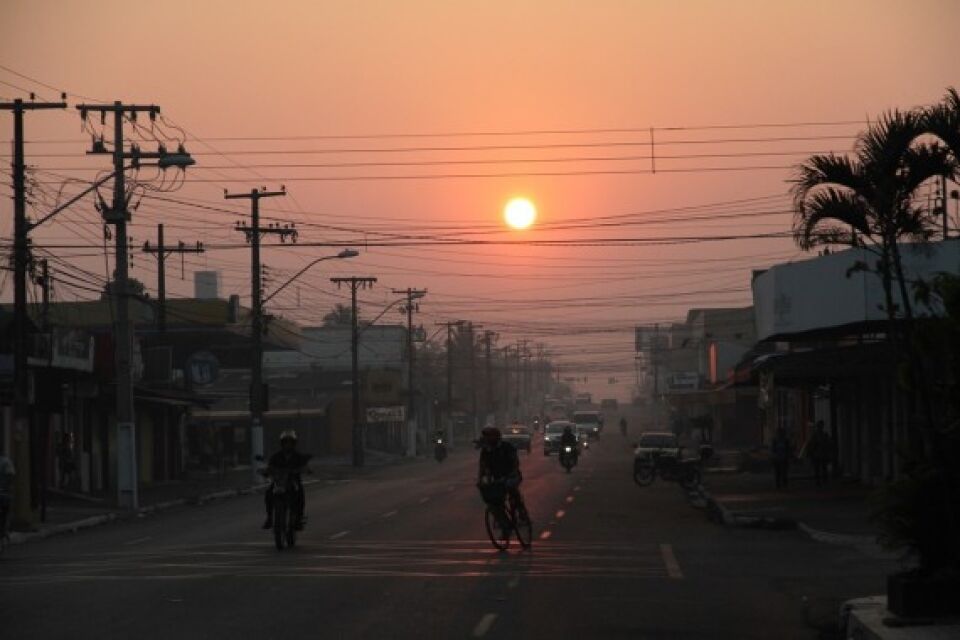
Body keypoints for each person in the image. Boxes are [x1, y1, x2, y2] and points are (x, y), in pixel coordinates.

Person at [477, 426, 529, 532]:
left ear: (496, 436)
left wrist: (511, 474)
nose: (487, 439)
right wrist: (480, 480)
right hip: (497, 480)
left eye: (489, 436)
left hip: (512, 476)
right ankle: (504, 524)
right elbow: (482, 467)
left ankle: (521, 511)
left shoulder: (506, 447)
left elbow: (515, 462)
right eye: (486, 436)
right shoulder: (485, 451)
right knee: (494, 502)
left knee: (511, 488)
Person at [262, 431, 310, 531]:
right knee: (268, 493)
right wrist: (266, 471)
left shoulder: (298, 456)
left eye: (290, 442)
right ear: (282, 443)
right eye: (285, 442)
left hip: (293, 481)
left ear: (294, 443)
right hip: (279, 482)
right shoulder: (276, 456)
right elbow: (270, 466)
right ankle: (270, 518)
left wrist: (306, 469)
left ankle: (298, 518)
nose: (288, 445)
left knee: (300, 493)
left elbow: (304, 466)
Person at [808, 421, 832, 488]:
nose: (820, 427)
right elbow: (812, 445)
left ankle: (824, 480)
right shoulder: (815, 435)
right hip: (817, 455)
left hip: (822, 454)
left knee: (823, 468)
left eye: (821, 426)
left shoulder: (824, 435)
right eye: (819, 426)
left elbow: (828, 444)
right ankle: (818, 481)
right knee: (818, 469)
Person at [0, 451, 15, 541]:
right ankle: (4, 531)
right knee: (5, 512)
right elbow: (11, 476)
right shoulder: (6, 461)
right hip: (3, 493)